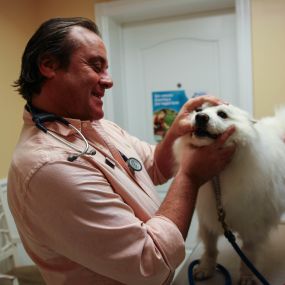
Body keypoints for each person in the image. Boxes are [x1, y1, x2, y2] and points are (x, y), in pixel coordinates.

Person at [8, 17, 235, 285]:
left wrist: (176, 131)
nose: (108, 81)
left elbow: (153, 167)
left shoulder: (97, 126)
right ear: (48, 65)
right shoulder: (48, 168)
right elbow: (149, 264)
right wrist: (190, 175)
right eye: (95, 66)